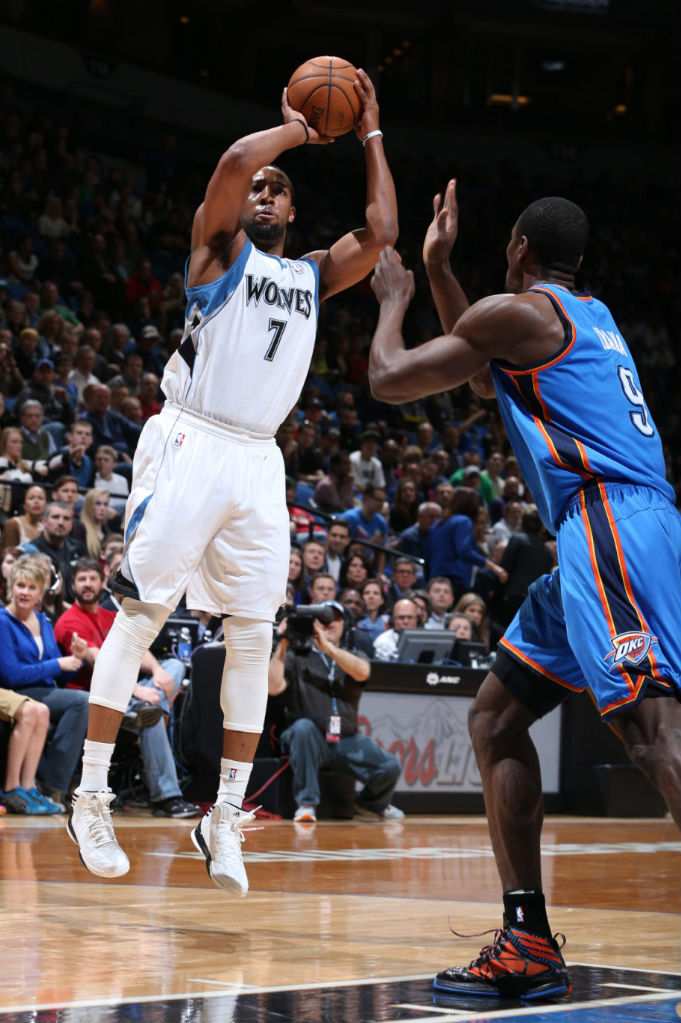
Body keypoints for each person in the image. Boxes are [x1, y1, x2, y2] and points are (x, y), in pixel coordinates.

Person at [68, 70, 397, 893]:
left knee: (254, 636)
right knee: (141, 617)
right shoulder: (217, 251)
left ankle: (222, 818)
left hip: (259, 458)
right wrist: (292, 132)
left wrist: (368, 133)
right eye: (256, 185)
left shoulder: (314, 274)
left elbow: (383, 228)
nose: (262, 190)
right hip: (193, 438)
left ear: (291, 212)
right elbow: (227, 166)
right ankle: (90, 794)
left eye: (277, 189)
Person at [369, 184, 681, 999]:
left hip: (607, 521)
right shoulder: (584, 315)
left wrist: (396, 296)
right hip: (600, 530)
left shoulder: (524, 314)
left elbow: (389, 377)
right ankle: (526, 939)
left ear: (515, 247)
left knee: (650, 731)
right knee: (496, 715)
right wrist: (439, 267)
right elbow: (481, 379)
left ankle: (530, 941)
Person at [54, 559, 199, 818]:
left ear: (102, 583)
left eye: (92, 579)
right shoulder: (69, 622)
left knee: (174, 666)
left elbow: (137, 650)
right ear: (72, 585)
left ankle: (146, 708)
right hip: (96, 698)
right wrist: (137, 690)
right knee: (150, 719)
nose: (87, 585)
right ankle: (168, 797)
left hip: (128, 694)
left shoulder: (111, 615)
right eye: (81, 580)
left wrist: (157, 671)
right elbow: (101, 661)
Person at [268, 600, 403, 823]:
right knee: (302, 728)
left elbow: (363, 672)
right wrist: (283, 642)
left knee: (390, 766)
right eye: (322, 618)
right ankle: (306, 804)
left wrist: (328, 649)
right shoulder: (296, 655)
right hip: (308, 738)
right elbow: (273, 687)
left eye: (335, 618)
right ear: (313, 624)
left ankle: (372, 804)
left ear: (344, 625)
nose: (329, 623)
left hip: (345, 740)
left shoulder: (353, 654)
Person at [0, 556, 89, 807]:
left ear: (41, 592)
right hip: (17, 691)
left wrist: (76, 659)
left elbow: (58, 674)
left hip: (45, 691)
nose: (25, 592)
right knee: (82, 702)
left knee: (81, 702)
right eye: (20, 585)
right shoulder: (3, 621)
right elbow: (11, 675)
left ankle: (40, 785)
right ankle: (54, 785)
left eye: (31, 587)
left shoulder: (43, 621)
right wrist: (57, 664)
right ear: (10, 587)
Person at [1, 484, 46, 551]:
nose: (36, 502)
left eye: (40, 498)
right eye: (31, 498)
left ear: (46, 504)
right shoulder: (13, 523)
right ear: (25, 505)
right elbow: (6, 554)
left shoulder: (45, 528)